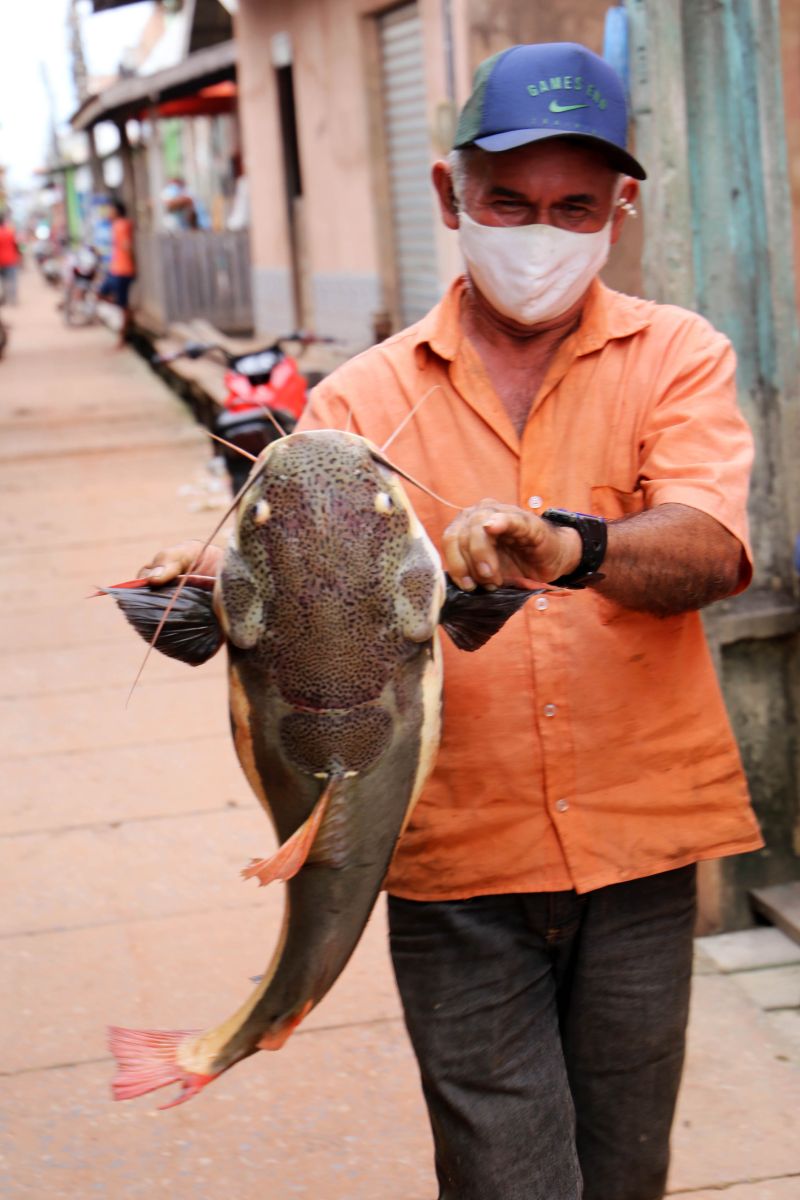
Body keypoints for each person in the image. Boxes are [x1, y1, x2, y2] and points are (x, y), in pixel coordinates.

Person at [136, 42, 761, 1200]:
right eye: (507, 202)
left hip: (637, 847)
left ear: (618, 211)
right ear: (448, 196)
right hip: (451, 867)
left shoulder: (675, 355)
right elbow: (292, 579)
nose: (539, 231)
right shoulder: (358, 400)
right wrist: (208, 579)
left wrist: (571, 546)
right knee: (504, 1180)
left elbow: (711, 546)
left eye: (574, 206)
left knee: (626, 1173)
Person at [98, 199, 136, 346]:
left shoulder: (121, 225)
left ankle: (123, 336)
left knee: (121, 303)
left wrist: (132, 264)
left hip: (123, 270)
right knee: (105, 295)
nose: (108, 213)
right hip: (116, 269)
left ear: (117, 211)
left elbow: (127, 246)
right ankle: (128, 316)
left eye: (110, 210)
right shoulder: (116, 225)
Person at [0, 213, 21, 305]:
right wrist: (19, 255)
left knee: (3, 280)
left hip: (1, 261)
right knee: (12, 280)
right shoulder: (10, 232)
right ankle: (13, 299)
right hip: (10, 260)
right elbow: (16, 245)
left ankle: (6, 297)